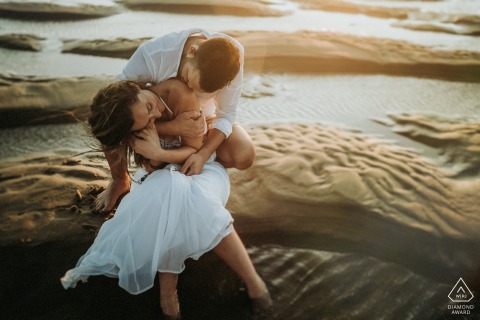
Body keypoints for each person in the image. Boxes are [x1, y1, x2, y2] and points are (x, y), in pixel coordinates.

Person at [61, 79, 271, 319]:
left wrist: (160, 149)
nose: (156, 114)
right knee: (171, 189)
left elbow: (195, 151)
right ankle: (170, 294)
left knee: (189, 196)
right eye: (149, 120)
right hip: (164, 178)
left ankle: (246, 283)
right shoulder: (135, 123)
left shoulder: (179, 93)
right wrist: (155, 158)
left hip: (203, 170)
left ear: (136, 88)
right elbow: (151, 168)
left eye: (150, 107)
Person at [95, 28, 256, 213]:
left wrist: (202, 154)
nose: (188, 89)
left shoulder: (232, 59)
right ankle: (120, 181)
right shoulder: (153, 54)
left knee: (244, 155)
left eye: (200, 90)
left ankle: (199, 166)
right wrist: (174, 127)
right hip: (155, 121)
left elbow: (226, 114)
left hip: (206, 122)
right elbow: (109, 108)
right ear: (191, 51)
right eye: (188, 78)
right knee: (111, 122)